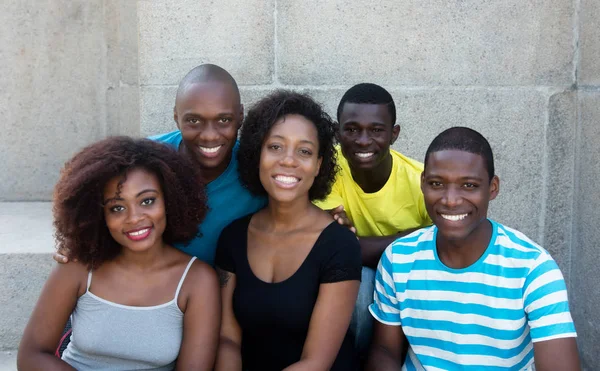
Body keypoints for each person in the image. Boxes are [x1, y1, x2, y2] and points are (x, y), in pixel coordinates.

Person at [367, 127, 580, 370]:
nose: (451, 199)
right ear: (423, 183)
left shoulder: (533, 270)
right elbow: (385, 350)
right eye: (437, 183)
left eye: (469, 185)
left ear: (492, 188)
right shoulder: (398, 258)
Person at [18, 137, 220, 370]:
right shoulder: (79, 266)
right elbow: (32, 356)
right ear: (98, 214)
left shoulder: (197, 281)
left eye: (147, 201)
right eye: (117, 207)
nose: (134, 218)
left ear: (170, 201)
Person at [55, 64, 266, 266]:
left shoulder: (258, 170)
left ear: (240, 116)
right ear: (176, 117)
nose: (209, 135)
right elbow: (97, 210)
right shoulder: (143, 160)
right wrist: (78, 240)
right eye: (194, 121)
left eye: (223, 120)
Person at [214, 91, 362, 371]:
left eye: (304, 151)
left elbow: (316, 362)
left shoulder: (339, 245)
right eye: (275, 147)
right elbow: (227, 340)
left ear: (318, 165)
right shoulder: (233, 237)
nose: (289, 161)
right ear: (257, 154)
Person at [314, 83, 431, 351]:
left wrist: (351, 243)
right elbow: (327, 248)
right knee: (364, 282)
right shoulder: (327, 173)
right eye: (352, 129)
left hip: (413, 280)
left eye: (376, 130)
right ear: (336, 132)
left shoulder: (422, 181)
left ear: (394, 134)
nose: (363, 141)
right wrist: (412, 240)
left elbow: (439, 250)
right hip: (354, 279)